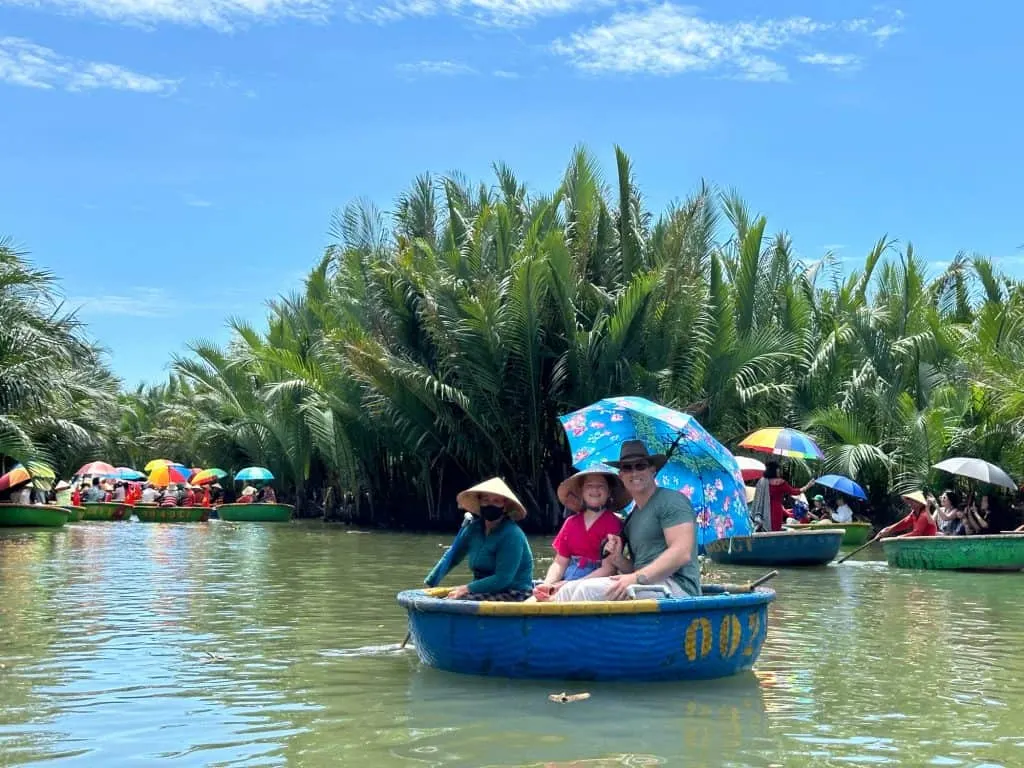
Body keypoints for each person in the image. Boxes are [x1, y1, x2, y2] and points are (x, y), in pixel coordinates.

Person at [554, 440, 701, 601]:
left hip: (677, 587)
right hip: (645, 584)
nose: (634, 473)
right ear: (621, 475)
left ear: (652, 469)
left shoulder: (672, 501)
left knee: (586, 591)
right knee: (568, 589)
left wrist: (633, 579)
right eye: (627, 467)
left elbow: (681, 553)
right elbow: (636, 568)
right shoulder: (632, 518)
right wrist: (618, 558)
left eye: (640, 466)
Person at [533, 466, 628, 601]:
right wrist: (548, 583)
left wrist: (570, 585)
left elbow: (608, 569)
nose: (594, 490)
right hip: (569, 576)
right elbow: (560, 562)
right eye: (589, 486)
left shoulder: (613, 523)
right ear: (581, 492)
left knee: (556, 599)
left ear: (609, 492)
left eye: (600, 486)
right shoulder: (571, 522)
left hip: (594, 581)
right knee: (537, 596)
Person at [444, 478, 534, 602]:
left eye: (496, 501)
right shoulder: (473, 529)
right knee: (449, 597)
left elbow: (503, 578)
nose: (490, 504)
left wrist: (466, 588)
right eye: (485, 500)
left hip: (514, 592)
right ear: (479, 502)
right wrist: (431, 581)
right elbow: (452, 557)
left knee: (462, 598)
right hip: (485, 590)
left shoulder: (512, 534)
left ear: (504, 505)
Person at [751, 461, 812, 532]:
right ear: (775, 470)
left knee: (764, 530)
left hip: (763, 510)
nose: (779, 471)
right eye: (778, 469)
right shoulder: (780, 482)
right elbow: (794, 492)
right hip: (776, 510)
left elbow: (757, 497)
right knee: (775, 531)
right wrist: (807, 486)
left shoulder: (761, 481)